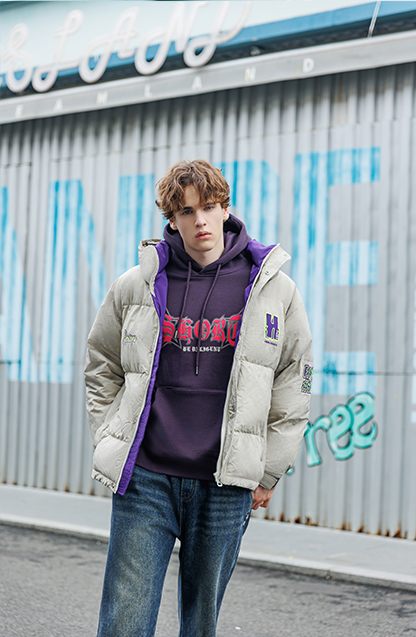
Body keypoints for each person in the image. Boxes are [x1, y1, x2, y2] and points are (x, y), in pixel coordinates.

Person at [84, 159, 313, 637]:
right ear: (172, 219)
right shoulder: (137, 284)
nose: (200, 221)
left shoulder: (273, 289)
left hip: (224, 483)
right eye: (186, 211)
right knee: (124, 622)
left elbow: (296, 381)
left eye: (209, 207)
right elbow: (101, 362)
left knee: (200, 624)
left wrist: (269, 469)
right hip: (146, 478)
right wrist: (109, 435)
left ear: (225, 208)